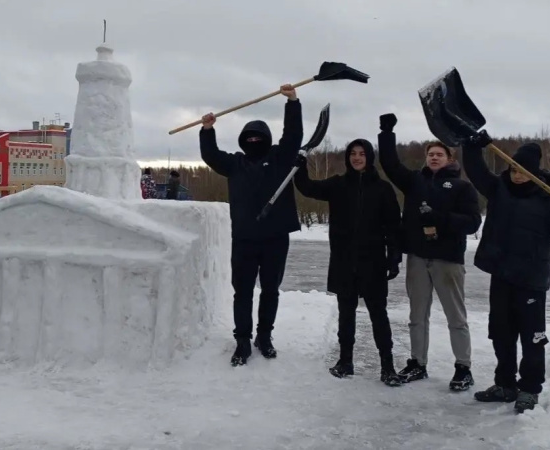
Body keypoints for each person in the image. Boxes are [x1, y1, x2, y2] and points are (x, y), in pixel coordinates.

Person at [461, 132, 550, 413]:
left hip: (531, 279)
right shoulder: (499, 189)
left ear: (536, 173)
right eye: (513, 169)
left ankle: (529, 388)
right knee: (501, 334)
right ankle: (505, 384)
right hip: (501, 274)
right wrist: (471, 147)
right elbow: (477, 171)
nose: (517, 176)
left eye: (523, 171)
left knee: (532, 338)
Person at [199, 84, 303, 366]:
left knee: (270, 290)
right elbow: (211, 156)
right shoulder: (235, 164)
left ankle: (264, 337)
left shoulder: (280, 158)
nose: (254, 141)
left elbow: (293, 136)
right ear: (243, 141)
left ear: (267, 140)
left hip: (275, 239)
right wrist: (207, 130)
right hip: (244, 239)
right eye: (250, 138)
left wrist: (292, 102)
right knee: (242, 292)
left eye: (259, 137)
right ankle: (242, 340)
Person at [377, 113, 481, 391]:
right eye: (430, 154)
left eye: (439, 154)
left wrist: (441, 219)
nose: (434, 158)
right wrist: (386, 132)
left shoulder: (462, 187)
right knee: (417, 316)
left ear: (449, 158)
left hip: (448, 260)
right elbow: (390, 164)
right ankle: (417, 363)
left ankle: (463, 368)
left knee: (456, 317)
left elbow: (473, 223)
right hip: (418, 258)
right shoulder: (414, 182)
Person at [294, 139, 403, 386]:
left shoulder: (383, 189)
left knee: (379, 314)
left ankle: (388, 366)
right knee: (346, 314)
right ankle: (345, 361)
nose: (357, 158)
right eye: (353, 153)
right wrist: (300, 166)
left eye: (361, 154)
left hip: (373, 262)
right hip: (344, 261)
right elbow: (307, 188)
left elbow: (393, 226)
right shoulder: (338, 184)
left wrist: (394, 257)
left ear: (369, 157)